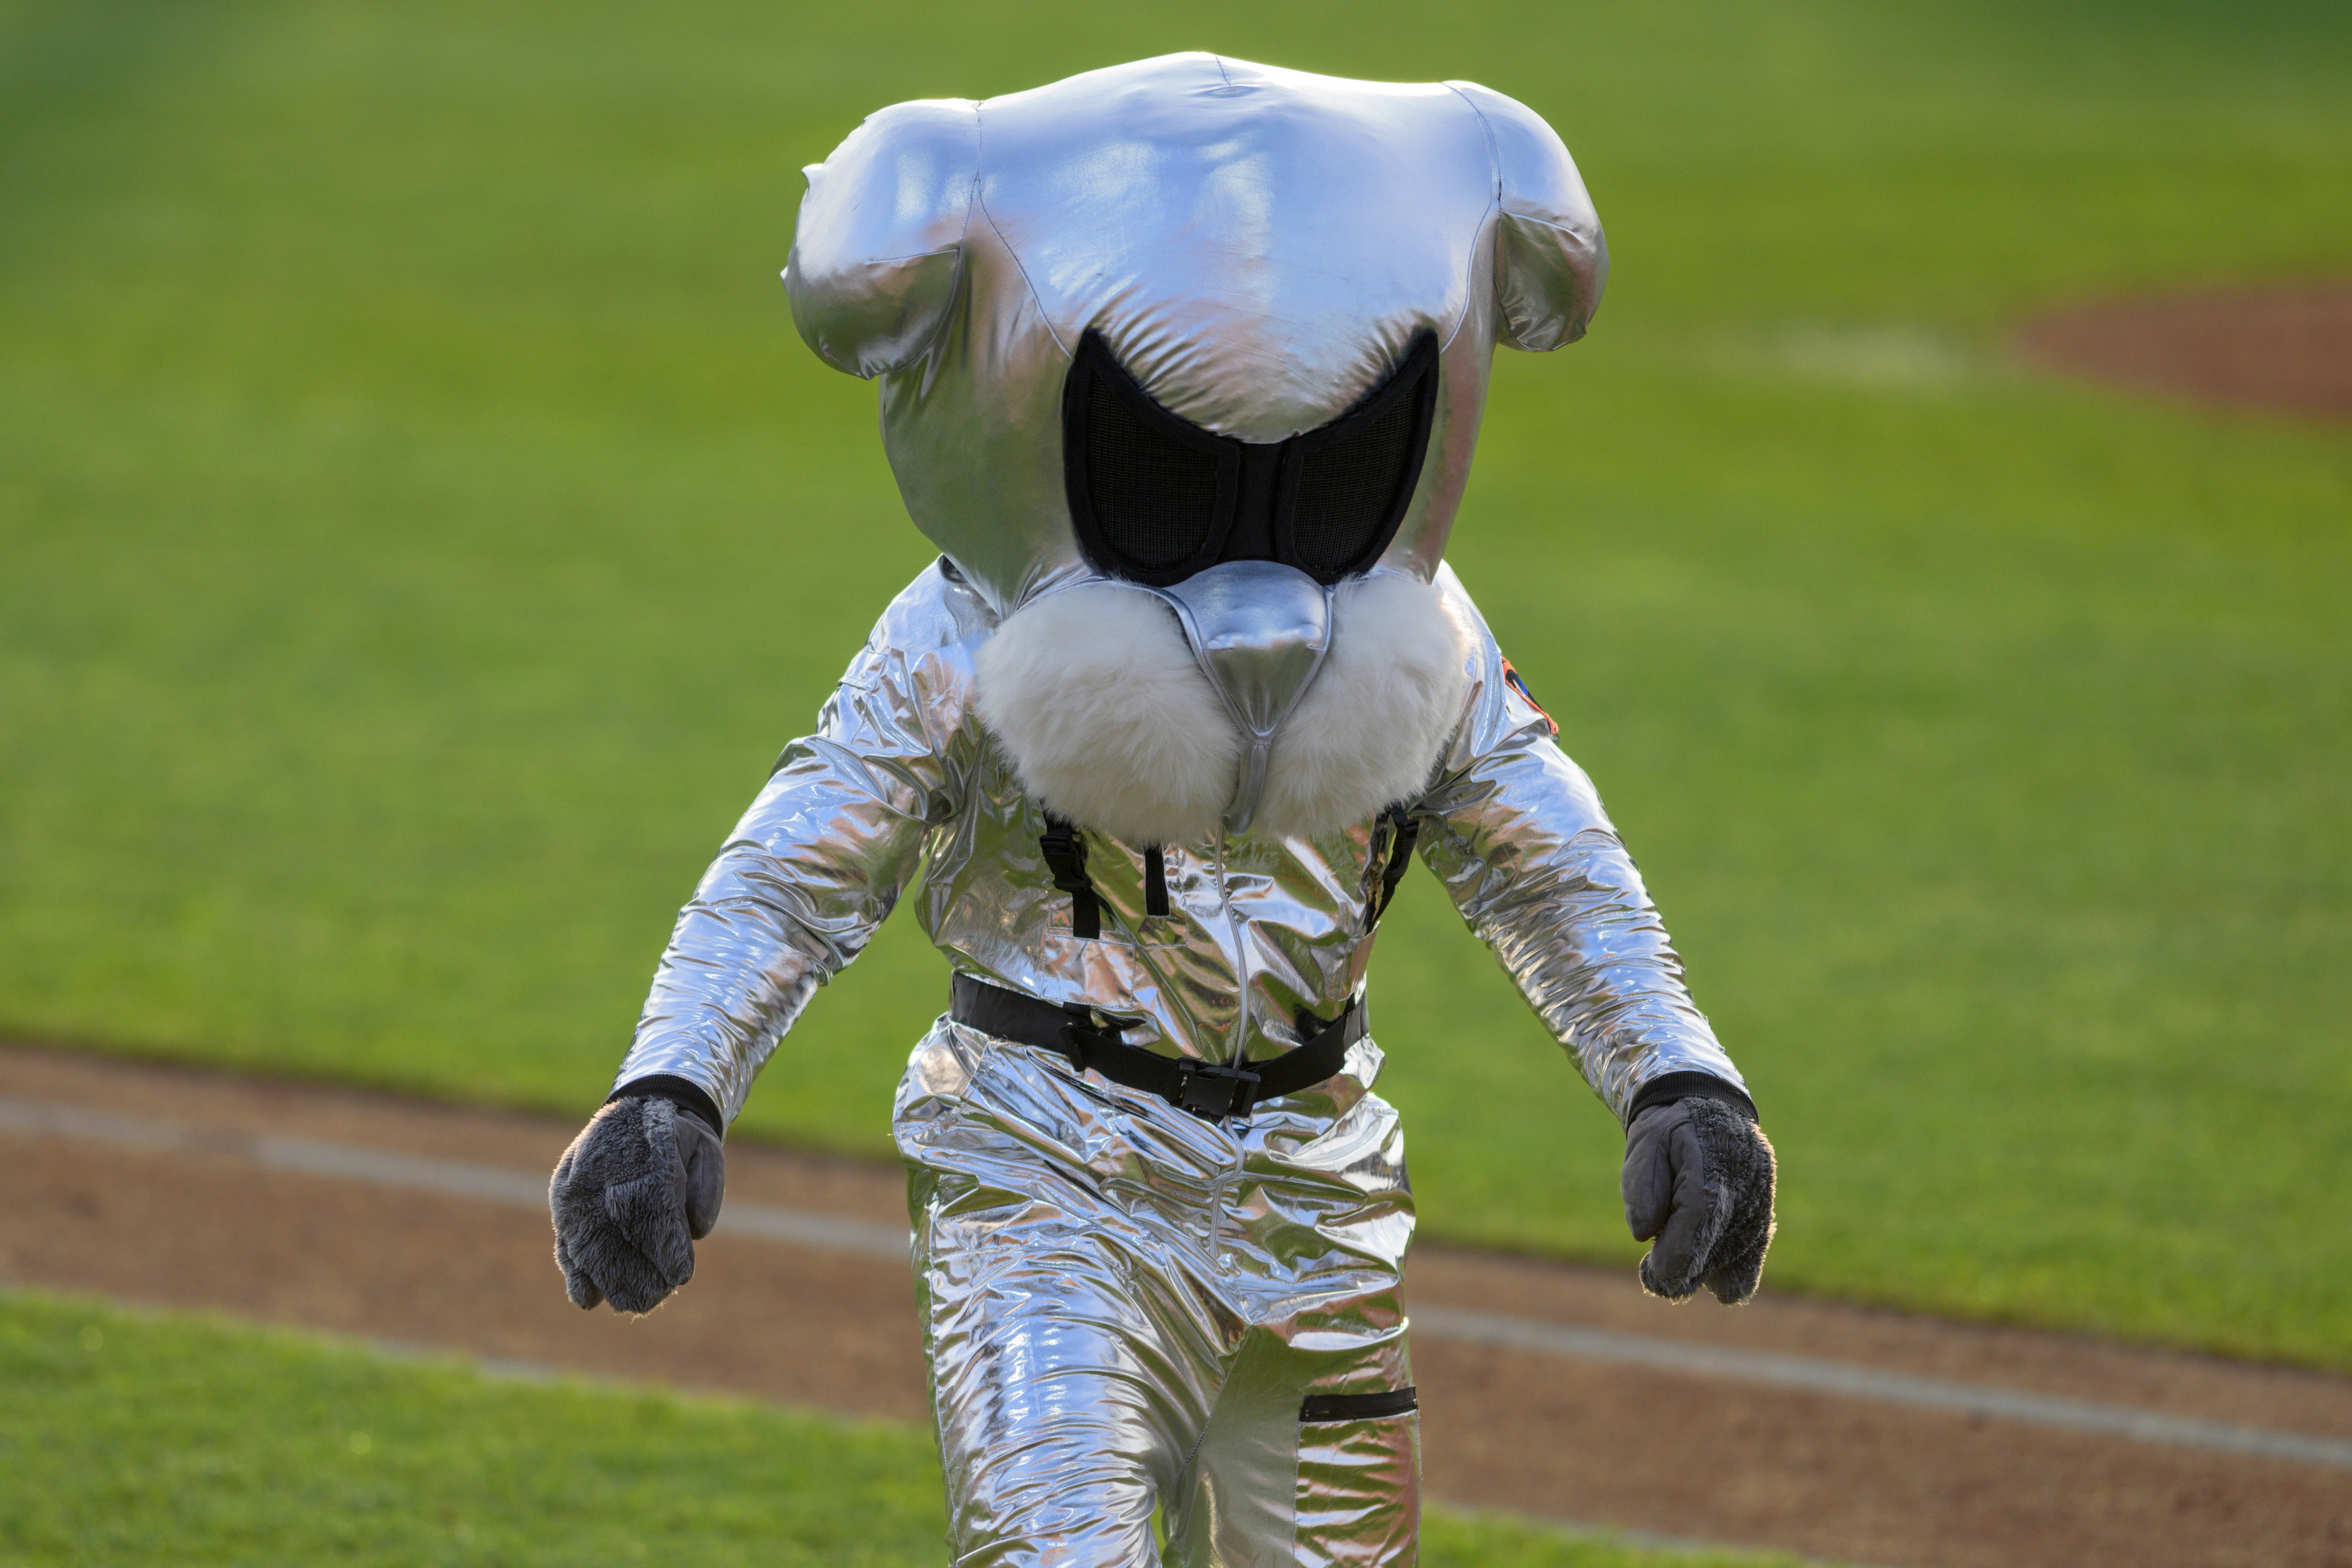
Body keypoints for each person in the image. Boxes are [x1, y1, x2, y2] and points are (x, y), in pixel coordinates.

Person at [549, 53, 1775, 1568]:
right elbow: (804, 862)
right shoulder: (971, 625)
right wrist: (671, 1080)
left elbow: (1547, 862)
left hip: (1321, 1189)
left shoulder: (1422, 635)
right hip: (1043, 1181)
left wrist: (1678, 1073)